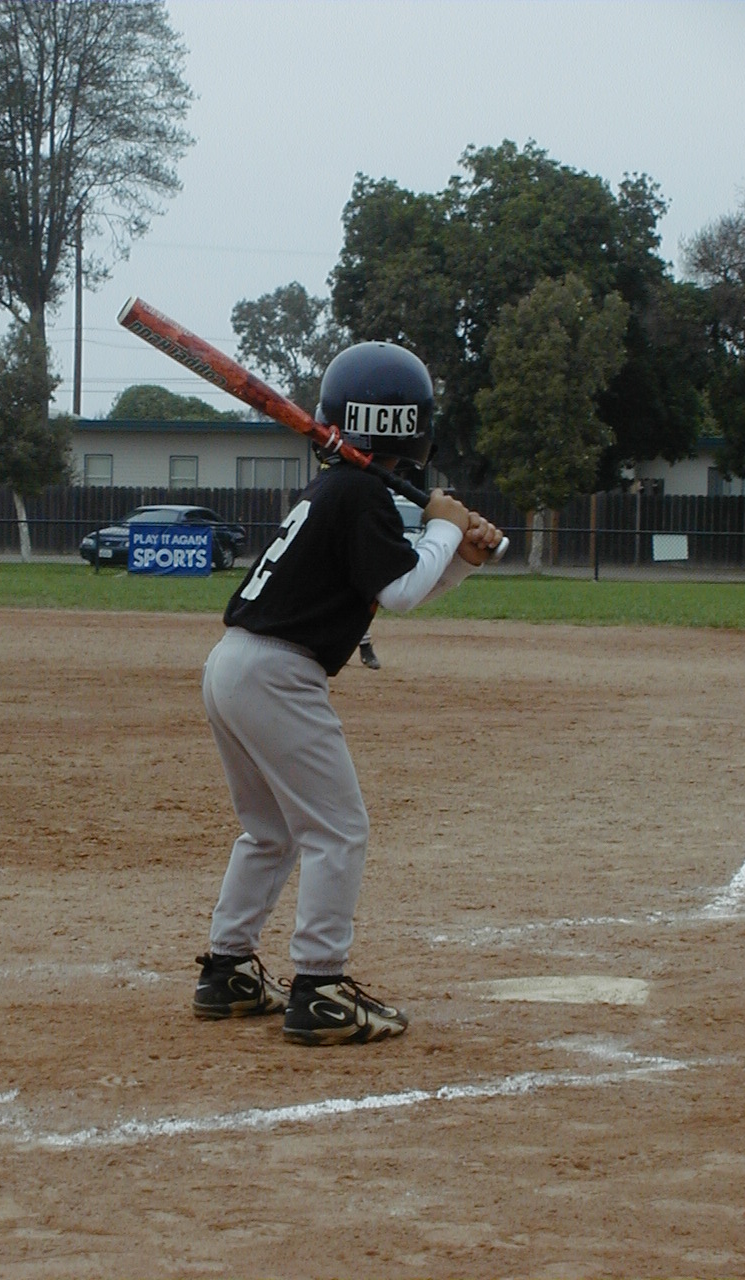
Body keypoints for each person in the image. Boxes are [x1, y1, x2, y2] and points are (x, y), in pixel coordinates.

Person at [193, 341, 502, 1045]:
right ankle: (320, 987)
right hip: (278, 674)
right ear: (418, 432)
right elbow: (399, 591)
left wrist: (457, 558)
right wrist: (444, 525)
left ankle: (228, 970)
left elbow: (393, 585)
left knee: (272, 831)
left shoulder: (339, 490)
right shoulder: (363, 493)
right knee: (338, 830)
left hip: (237, 664)